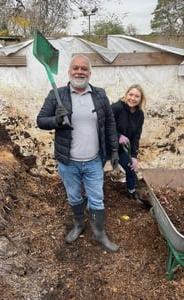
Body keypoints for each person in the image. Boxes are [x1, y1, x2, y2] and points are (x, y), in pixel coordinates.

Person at [37, 54, 119, 253]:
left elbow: (109, 123)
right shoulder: (57, 95)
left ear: (90, 73)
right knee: (74, 196)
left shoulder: (99, 95)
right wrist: (56, 120)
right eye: (76, 68)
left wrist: (114, 148)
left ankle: (99, 234)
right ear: (69, 72)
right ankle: (78, 224)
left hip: (93, 160)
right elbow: (41, 121)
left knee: (97, 198)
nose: (79, 72)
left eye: (84, 69)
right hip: (68, 161)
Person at [111, 84, 146, 204]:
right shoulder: (117, 108)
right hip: (107, 145)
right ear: (126, 95)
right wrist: (118, 135)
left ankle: (131, 192)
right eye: (130, 94)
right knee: (96, 171)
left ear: (140, 99)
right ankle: (93, 196)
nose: (133, 98)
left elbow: (136, 137)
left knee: (131, 168)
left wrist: (134, 156)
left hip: (122, 149)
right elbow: (105, 124)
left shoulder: (139, 115)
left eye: (137, 96)